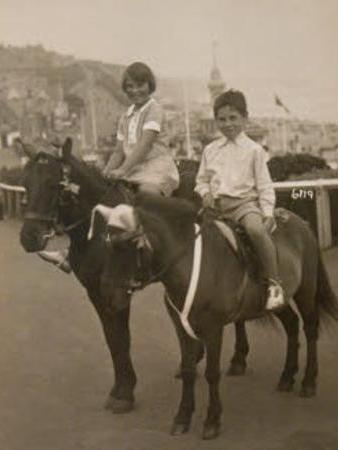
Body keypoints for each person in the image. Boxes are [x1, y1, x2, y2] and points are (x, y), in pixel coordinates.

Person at [39, 62, 180, 273]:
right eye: (130, 86)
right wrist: (107, 171)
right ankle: (70, 253)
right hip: (133, 170)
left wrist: (122, 170)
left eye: (140, 85)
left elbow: (144, 145)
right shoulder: (126, 116)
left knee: (146, 195)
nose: (135, 91)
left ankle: (150, 253)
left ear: (150, 85)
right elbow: (118, 150)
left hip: (156, 168)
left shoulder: (154, 110)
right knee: (100, 198)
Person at [194, 89, 285, 311]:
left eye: (233, 118)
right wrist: (205, 193)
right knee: (194, 235)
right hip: (216, 207)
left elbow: (264, 186)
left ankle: (274, 284)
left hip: (244, 205)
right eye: (222, 119)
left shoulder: (254, 150)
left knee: (255, 231)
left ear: (245, 118)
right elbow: (201, 180)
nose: (228, 124)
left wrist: (267, 213)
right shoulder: (210, 150)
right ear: (216, 121)